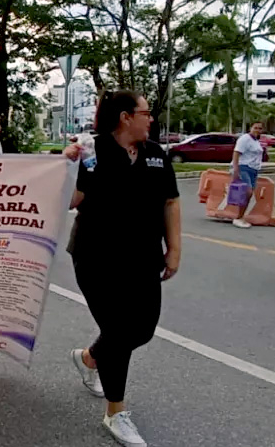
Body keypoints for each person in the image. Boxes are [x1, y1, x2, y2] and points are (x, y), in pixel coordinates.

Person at [66, 90, 181, 447]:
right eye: (146, 113)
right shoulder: (91, 150)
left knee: (142, 329)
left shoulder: (155, 155)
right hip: (96, 257)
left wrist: (174, 248)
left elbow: (171, 201)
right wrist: (67, 165)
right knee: (117, 330)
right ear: (125, 117)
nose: (151, 119)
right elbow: (69, 200)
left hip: (143, 258)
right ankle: (116, 411)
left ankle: (89, 358)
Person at [230, 121, 265, 229]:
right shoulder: (245, 139)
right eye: (255, 128)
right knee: (248, 191)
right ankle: (238, 217)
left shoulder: (256, 141)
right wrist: (235, 169)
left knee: (249, 194)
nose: (257, 130)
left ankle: (241, 216)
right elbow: (236, 153)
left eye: (260, 128)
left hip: (253, 169)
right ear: (250, 128)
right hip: (243, 167)